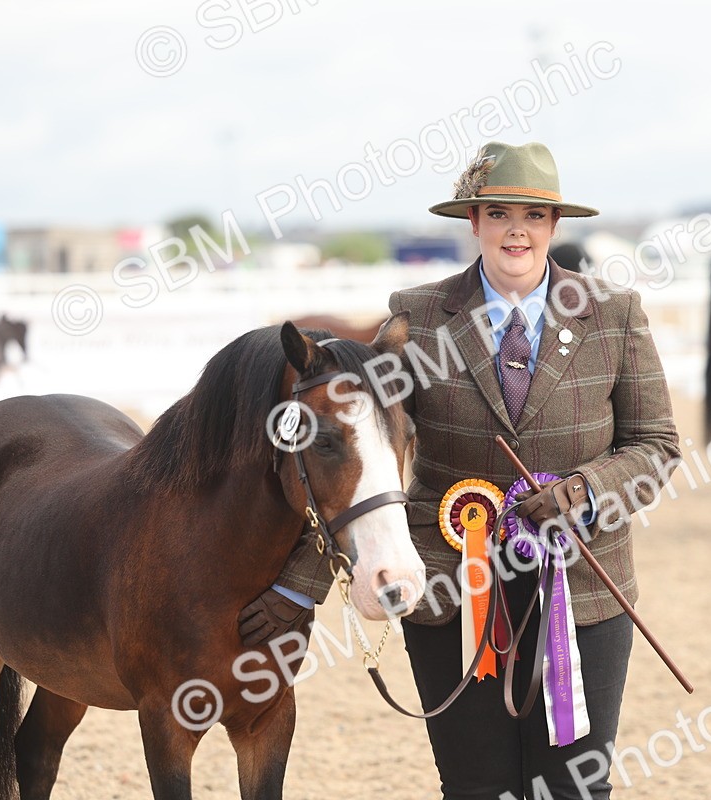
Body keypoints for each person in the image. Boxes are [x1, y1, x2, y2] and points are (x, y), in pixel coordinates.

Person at [243, 141, 681, 799]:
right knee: (477, 786)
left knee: (573, 788)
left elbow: (658, 447)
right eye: (498, 212)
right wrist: (299, 586)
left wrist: (586, 491)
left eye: (533, 215)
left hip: (585, 587)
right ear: (473, 222)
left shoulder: (614, 315)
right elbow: (360, 452)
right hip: (450, 587)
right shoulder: (416, 316)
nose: (516, 229)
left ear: (553, 226)